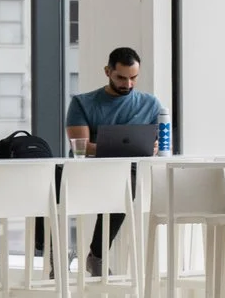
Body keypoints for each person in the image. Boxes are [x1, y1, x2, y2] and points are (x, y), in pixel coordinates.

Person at [66, 46, 167, 273]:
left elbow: (159, 144)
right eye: (121, 77)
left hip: (133, 174)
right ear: (107, 71)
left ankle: (97, 255)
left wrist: (152, 146)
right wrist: (124, 148)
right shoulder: (83, 103)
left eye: (133, 78)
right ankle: (97, 255)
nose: (127, 84)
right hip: (91, 174)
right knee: (124, 184)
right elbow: (80, 147)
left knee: (127, 183)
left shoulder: (151, 104)